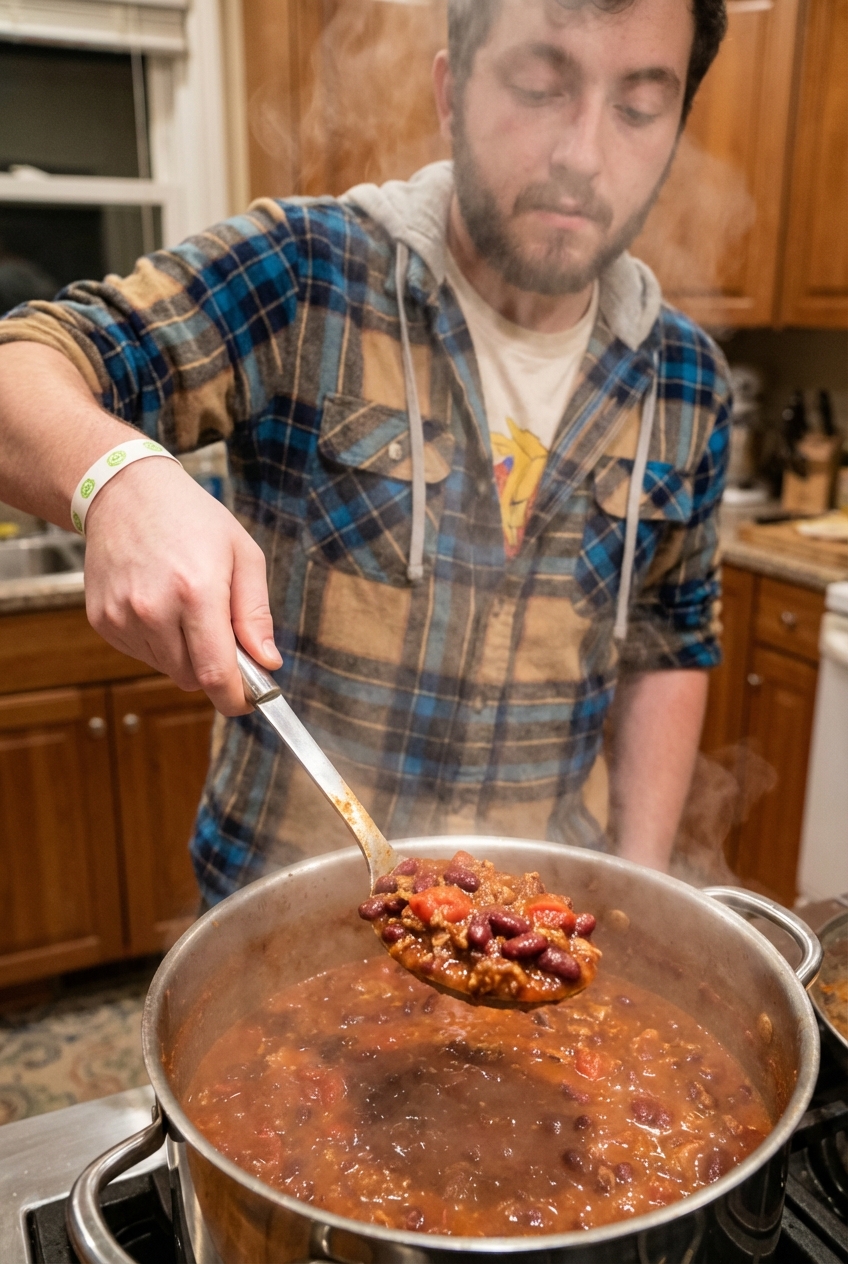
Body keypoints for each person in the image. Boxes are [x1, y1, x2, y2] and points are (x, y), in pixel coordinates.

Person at [0, 0, 730, 906]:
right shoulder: (308, 273)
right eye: (540, 87)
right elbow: (22, 364)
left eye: (637, 106)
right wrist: (118, 479)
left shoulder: (689, 379)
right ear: (452, 94)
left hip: (544, 911)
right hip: (284, 910)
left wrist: (645, 895)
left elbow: (670, 641)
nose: (582, 153)